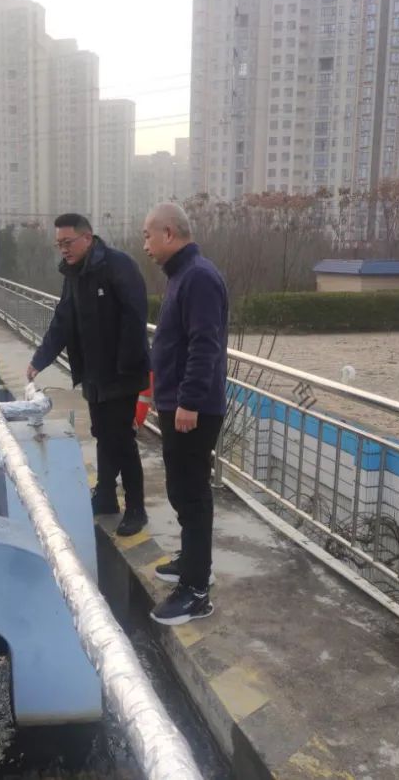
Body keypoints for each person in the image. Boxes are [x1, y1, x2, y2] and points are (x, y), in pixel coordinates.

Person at [27, 213, 151, 536]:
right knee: (102, 434)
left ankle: (136, 508)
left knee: (121, 440)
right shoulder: (73, 275)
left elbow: (136, 318)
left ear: (87, 237)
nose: (63, 249)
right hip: (93, 373)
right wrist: (39, 360)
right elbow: (62, 321)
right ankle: (106, 496)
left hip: (121, 374)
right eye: (59, 244)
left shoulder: (118, 266)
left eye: (67, 242)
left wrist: (125, 366)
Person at [141, 202, 229, 626]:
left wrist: (190, 401)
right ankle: (193, 562)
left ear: (169, 233)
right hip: (179, 403)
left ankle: (196, 591)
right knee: (181, 489)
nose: (145, 246)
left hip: (193, 408)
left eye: (148, 236)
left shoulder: (198, 277)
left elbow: (204, 344)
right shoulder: (182, 276)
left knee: (192, 494)